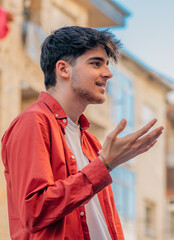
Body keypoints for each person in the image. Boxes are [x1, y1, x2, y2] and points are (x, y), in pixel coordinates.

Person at [1, 26, 163, 239]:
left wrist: (104, 164)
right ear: (63, 69)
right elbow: (35, 211)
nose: (108, 73)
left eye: (107, 64)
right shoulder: (33, 122)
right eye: (96, 63)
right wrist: (104, 165)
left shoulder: (91, 142)